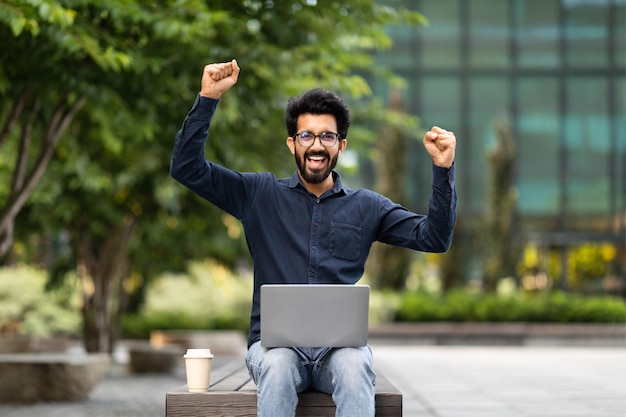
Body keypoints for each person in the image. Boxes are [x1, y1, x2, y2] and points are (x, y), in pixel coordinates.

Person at [170, 59, 457, 417]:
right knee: (277, 366)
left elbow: (434, 238)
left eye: (328, 136)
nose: (317, 145)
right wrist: (208, 97)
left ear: (341, 145)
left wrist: (443, 170)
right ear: (292, 143)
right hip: (274, 350)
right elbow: (186, 168)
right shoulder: (258, 194)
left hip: (336, 354)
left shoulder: (367, 206)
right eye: (306, 135)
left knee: (355, 366)